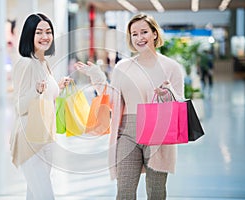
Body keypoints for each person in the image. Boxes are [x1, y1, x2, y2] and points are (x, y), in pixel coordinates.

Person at [75, 13, 184, 200]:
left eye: (144, 32)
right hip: (127, 132)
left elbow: (179, 103)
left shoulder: (170, 67)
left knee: (156, 191)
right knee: (124, 191)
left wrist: (167, 95)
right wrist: (97, 76)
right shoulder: (122, 67)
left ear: (154, 34)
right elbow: (111, 99)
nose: (139, 38)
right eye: (134, 34)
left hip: (158, 133)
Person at [10, 13, 70, 200]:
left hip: (45, 136)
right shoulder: (26, 63)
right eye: (39, 32)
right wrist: (36, 91)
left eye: (48, 32)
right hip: (30, 139)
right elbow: (20, 107)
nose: (45, 36)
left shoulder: (43, 63)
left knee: (35, 194)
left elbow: (47, 98)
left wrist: (57, 87)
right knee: (45, 195)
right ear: (29, 35)